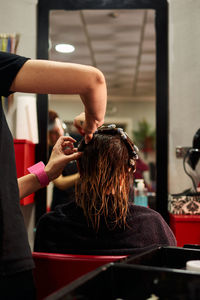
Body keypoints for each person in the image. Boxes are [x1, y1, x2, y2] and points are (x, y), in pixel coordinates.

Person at [0, 51, 107, 299]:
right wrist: (93, 125)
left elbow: (5, 193)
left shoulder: (51, 226)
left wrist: (46, 172)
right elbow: (93, 81)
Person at [34, 125, 176, 255]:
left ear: (80, 168)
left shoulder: (50, 226)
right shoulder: (153, 226)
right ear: (128, 171)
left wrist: (45, 172)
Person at [48, 110, 80, 210]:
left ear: (63, 127)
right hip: (61, 204)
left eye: (57, 131)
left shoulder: (78, 140)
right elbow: (60, 182)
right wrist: (83, 176)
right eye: (51, 133)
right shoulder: (49, 151)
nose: (55, 136)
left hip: (79, 201)